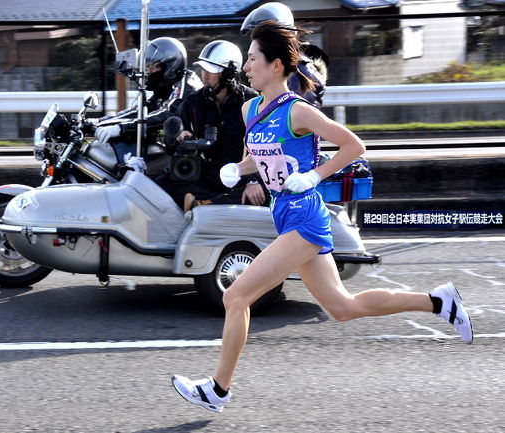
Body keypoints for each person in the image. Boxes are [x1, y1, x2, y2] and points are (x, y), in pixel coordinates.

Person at [171, 20, 473, 413]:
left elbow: (354, 146)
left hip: (305, 216)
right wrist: (240, 169)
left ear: (275, 65)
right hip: (283, 214)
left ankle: (218, 389)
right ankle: (438, 302)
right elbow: (263, 157)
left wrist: (314, 175)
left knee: (236, 295)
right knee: (342, 308)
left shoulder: (298, 111)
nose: (246, 67)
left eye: (253, 59)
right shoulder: (251, 110)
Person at [155, 40, 265, 211]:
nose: (204, 75)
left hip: (242, 174)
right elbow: (170, 142)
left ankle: (204, 204)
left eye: (211, 71)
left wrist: (253, 180)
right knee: (163, 181)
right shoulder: (192, 103)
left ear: (229, 74)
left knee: (264, 192)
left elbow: (268, 148)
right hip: (208, 174)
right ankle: (214, 203)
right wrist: (178, 139)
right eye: (203, 70)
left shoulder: (252, 102)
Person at [94, 37, 202, 166]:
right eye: (146, 67)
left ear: (170, 65)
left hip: (190, 156)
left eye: (152, 66)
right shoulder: (167, 86)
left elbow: (167, 114)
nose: (147, 72)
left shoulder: (187, 86)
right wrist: (101, 121)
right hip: (174, 150)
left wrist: (121, 128)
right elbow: (142, 111)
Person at [240, 1, 328, 109]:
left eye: (266, 36)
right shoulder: (277, 71)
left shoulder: (297, 73)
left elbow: (294, 118)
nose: (260, 42)